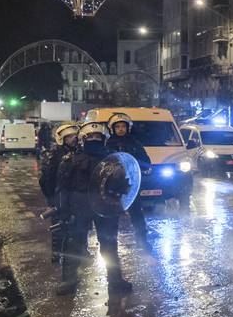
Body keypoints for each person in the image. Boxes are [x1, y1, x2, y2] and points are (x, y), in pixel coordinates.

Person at [56, 122, 132, 296]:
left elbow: (123, 185)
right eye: (91, 137)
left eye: (98, 137)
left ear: (104, 139)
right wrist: (64, 211)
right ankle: (69, 280)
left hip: (105, 209)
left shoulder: (113, 160)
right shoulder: (70, 161)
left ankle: (115, 280)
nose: (94, 140)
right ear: (83, 139)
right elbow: (63, 188)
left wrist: (119, 203)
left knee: (109, 245)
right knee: (73, 244)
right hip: (79, 208)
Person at [106, 113, 152, 248]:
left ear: (128, 128)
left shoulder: (135, 144)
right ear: (112, 129)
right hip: (113, 186)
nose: (120, 129)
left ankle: (142, 240)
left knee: (137, 213)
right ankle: (109, 244)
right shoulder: (107, 144)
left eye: (123, 127)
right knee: (111, 217)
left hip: (131, 185)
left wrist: (135, 163)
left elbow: (146, 162)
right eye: (118, 127)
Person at [38, 123, 79, 263]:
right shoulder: (55, 155)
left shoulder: (80, 153)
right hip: (58, 197)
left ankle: (80, 250)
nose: (74, 139)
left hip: (75, 197)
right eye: (70, 137)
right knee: (58, 226)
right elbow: (46, 178)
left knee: (78, 225)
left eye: (75, 136)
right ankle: (56, 253)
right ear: (62, 139)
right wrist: (50, 198)